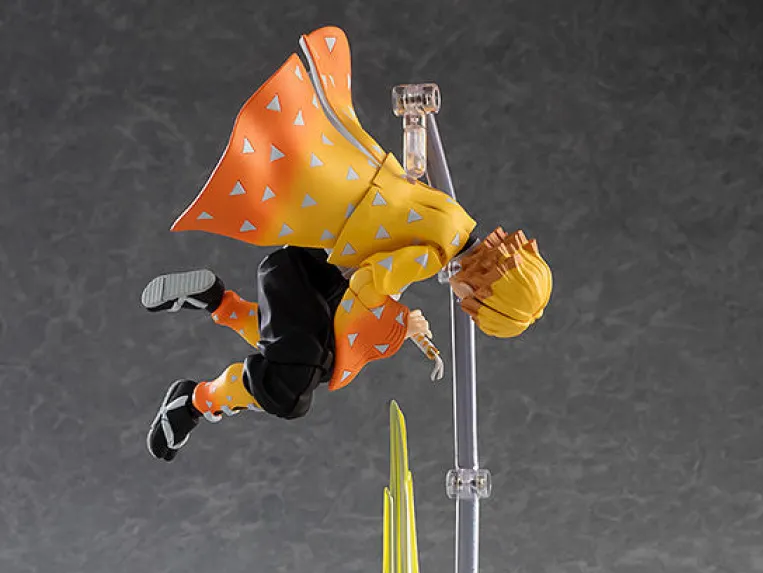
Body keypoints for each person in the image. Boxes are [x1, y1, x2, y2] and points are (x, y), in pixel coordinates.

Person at [145, 25, 553, 461]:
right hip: (309, 270)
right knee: (289, 389)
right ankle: (193, 402)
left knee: (314, 356)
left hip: (319, 263)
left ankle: (217, 303)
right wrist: (400, 325)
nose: (462, 305)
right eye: (472, 308)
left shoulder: (455, 220)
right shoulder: (435, 254)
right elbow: (369, 284)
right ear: (478, 294)